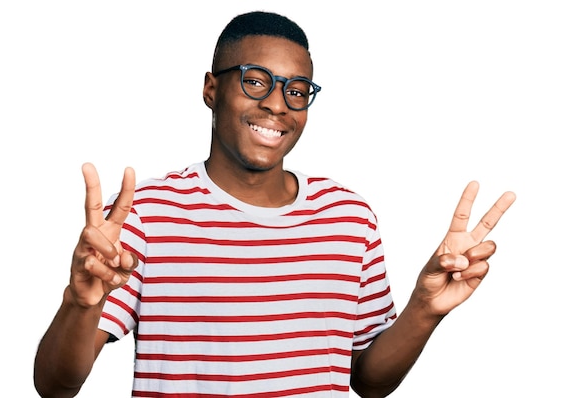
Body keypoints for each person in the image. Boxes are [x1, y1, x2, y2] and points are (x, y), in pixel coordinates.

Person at [33, 10, 516, 398]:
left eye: (297, 90)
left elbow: (368, 381)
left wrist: (424, 310)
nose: (278, 104)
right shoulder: (147, 213)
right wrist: (80, 303)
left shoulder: (348, 216)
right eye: (256, 81)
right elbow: (55, 386)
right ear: (211, 88)